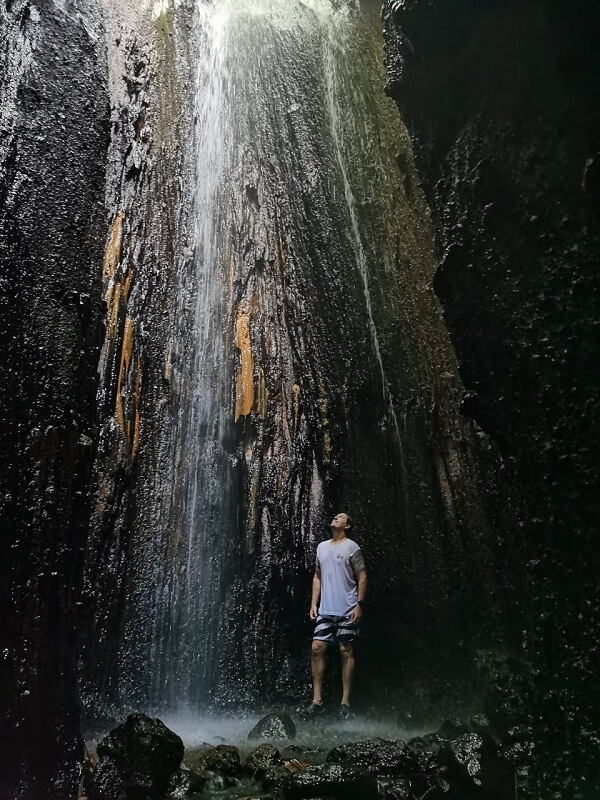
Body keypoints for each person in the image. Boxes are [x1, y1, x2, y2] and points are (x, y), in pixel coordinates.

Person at [304, 512, 367, 718]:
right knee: (316, 647)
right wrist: (314, 603)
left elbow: (362, 575)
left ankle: (345, 703)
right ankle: (316, 700)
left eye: (340, 517)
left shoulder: (352, 547)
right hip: (325, 609)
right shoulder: (321, 547)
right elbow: (317, 576)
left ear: (347, 525)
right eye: (335, 516)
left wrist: (359, 604)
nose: (335, 518)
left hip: (347, 608)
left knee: (345, 650)